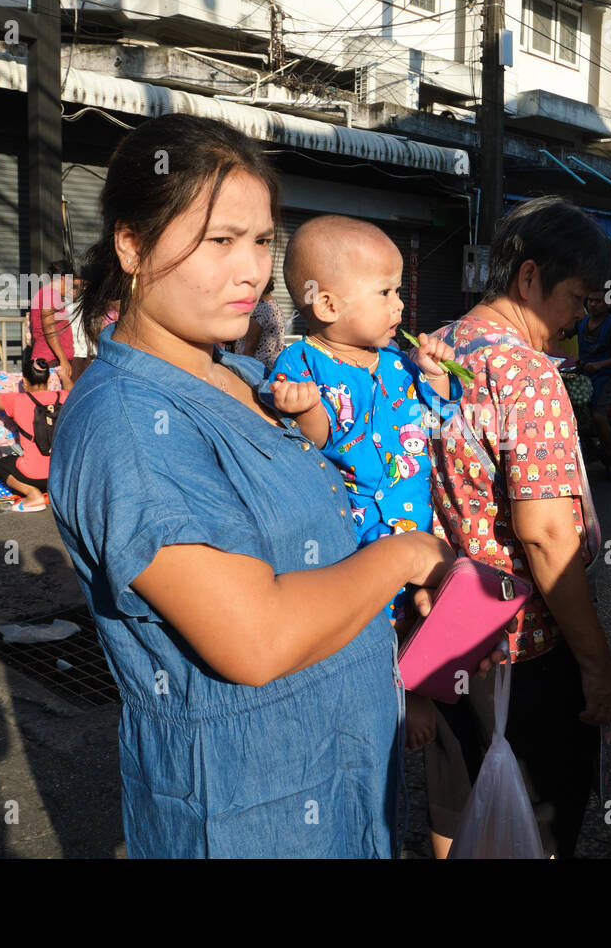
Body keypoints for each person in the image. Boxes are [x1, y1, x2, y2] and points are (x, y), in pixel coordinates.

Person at [47, 113, 479, 858]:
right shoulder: (127, 425)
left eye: (261, 241)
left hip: (344, 782)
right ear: (132, 243)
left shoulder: (249, 376)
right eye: (219, 240)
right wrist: (409, 557)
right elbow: (254, 638)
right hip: (253, 812)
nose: (251, 270)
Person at [426, 195, 611, 860]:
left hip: (446, 624)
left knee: (455, 796)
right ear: (529, 278)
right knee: (537, 815)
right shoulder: (527, 372)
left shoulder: (438, 346)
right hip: (521, 642)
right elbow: (544, 535)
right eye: (576, 297)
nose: (576, 321)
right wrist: (596, 665)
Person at [264, 214, 462, 752]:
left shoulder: (401, 362)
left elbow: (442, 420)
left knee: (427, 609)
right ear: (326, 304)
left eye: (399, 290)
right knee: (371, 618)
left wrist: (440, 377)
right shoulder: (301, 362)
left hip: (415, 522)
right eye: (385, 291)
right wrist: (302, 410)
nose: (400, 305)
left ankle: (417, 688)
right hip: (354, 534)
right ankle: (381, 694)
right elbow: (321, 436)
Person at [0, 352, 69, 512]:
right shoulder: (64, 396)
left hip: (32, 477)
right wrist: (64, 376)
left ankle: (32, 494)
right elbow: (73, 389)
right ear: (48, 380)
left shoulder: (18, 401)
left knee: (2, 465)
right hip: (60, 476)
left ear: (24, 381)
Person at [576, 288, 611, 481]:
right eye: (590, 300)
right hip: (582, 378)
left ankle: (610, 460)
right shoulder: (582, 322)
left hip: (604, 378)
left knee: (598, 417)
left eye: (598, 301)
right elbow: (563, 333)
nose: (593, 304)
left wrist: (599, 365)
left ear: (608, 303)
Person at [28, 260, 78, 388]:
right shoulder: (49, 295)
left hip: (52, 359)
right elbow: (49, 329)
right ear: (63, 278)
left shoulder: (48, 295)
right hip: (51, 361)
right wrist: (63, 360)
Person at [233, 277, 287, 370]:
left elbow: (249, 349)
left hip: (254, 371)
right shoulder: (275, 307)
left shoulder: (259, 311)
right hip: (268, 369)